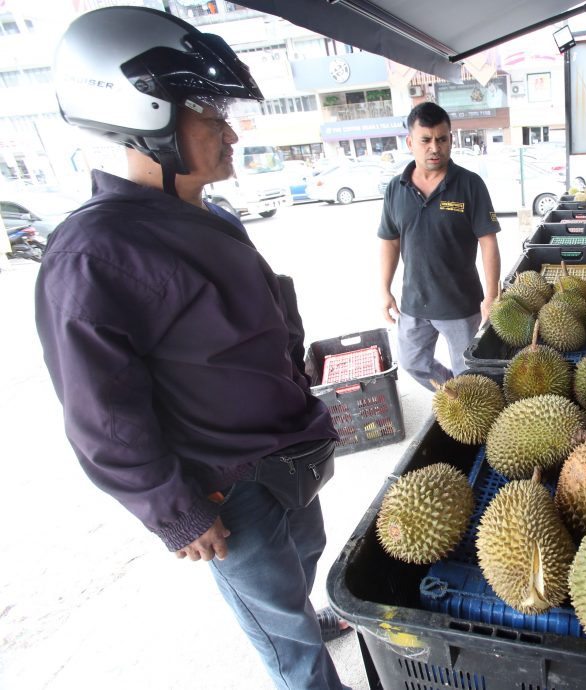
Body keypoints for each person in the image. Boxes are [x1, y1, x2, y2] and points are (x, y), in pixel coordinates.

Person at [36, 8, 349, 689]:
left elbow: (260, 314)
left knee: (301, 564)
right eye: (213, 118)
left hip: (286, 452)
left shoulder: (212, 218)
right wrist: (174, 513)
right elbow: (100, 413)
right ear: (150, 118)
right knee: (283, 637)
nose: (230, 133)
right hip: (226, 487)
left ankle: (300, 614)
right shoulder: (93, 254)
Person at [378, 102, 502, 390]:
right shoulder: (396, 189)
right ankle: (453, 397)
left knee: (468, 372)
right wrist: (384, 289)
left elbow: (488, 241)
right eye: (426, 140)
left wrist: (492, 295)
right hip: (413, 302)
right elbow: (389, 241)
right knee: (412, 362)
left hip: (461, 304)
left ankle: (466, 401)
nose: (435, 147)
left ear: (450, 140)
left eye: (442, 139)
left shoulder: (470, 185)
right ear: (410, 142)